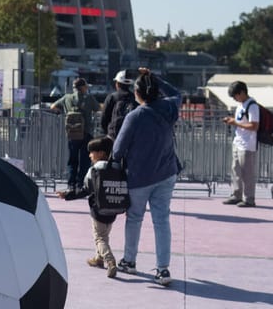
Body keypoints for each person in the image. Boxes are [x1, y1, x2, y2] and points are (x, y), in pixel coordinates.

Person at [112, 71, 181, 286]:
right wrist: (155, 78)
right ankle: (163, 269)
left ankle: (129, 261)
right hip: (166, 172)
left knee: (134, 219)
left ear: (137, 93)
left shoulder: (135, 116)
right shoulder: (169, 107)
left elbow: (117, 150)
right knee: (162, 221)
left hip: (139, 176)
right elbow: (177, 93)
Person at [50, 77, 101, 197]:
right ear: (82, 87)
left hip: (72, 134)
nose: (87, 88)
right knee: (84, 160)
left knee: (72, 160)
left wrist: (65, 113)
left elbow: (53, 107)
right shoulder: (88, 98)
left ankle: (70, 184)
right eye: (86, 86)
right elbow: (98, 108)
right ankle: (81, 184)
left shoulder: (67, 97)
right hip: (86, 133)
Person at [82, 136, 120, 278]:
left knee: (99, 238)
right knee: (105, 234)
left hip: (98, 209)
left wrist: (68, 195)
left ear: (101, 153)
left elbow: (86, 188)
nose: (90, 154)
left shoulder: (95, 169)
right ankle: (98, 258)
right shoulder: (116, 166)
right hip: (113, 207)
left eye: (92, 151)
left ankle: (110, 261)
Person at [221, 81, 260, 208]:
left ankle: (249, 198)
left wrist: (235, 123)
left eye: (235, 96)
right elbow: (241, 121)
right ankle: (236, 195)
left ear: (242, 92)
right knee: (236, 170)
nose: (235, 99)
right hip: (238, 141)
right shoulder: (241, 105)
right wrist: (232, 121)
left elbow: (254, 125)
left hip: (248, 144)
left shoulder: (252, 106)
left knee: (247, 172)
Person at [100, 69, 138, 139]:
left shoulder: (112, 97)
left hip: (113, 135)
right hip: (130, 135)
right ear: (129, 84)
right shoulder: (135, 98)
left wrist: (107, 133)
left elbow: (104, 119)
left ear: (117, 84)